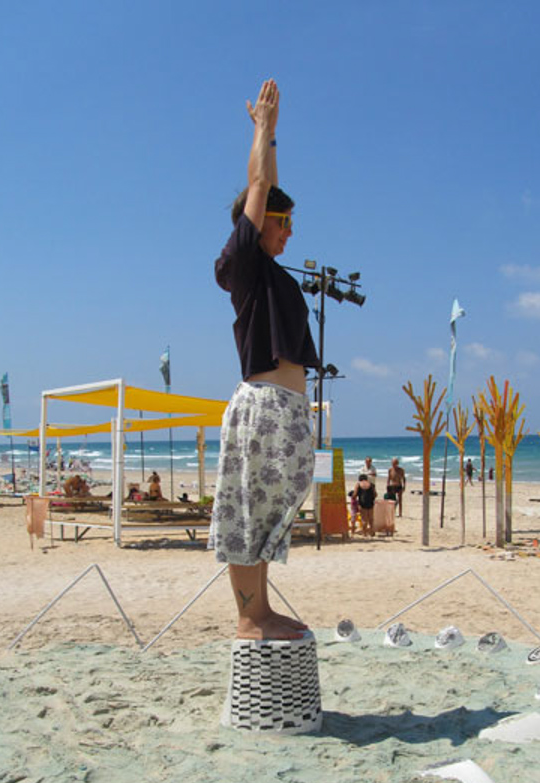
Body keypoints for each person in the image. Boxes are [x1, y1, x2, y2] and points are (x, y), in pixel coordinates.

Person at [210, 78, 319, 641]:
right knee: (249, 516)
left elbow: (269, 188)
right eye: (282, 222)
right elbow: (260, 186)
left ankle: (261, 609)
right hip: (264, 406)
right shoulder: (244, 263)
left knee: (271, 515)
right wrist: (263, 131)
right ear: (256, 225)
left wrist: (273, 142)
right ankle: (249, 617)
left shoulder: (271, 273)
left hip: (287, 410)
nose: (289, 230)